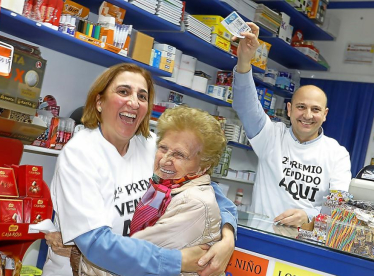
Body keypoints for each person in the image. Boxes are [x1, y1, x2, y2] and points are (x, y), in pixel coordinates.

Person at [43, 63, 237, 276]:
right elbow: (97, 245)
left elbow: (205, 186)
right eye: (123, 91)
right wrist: (177, 260)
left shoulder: (152, 145)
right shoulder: (80, 154)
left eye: (142, 96)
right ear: (99, 102)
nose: (134, 102)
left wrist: (228, 237)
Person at [80, 106, 227, 276]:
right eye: (163, 148)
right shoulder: (160, 188)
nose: (165, 160)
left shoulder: (194, 202)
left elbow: (127, 262)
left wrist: (83, 252)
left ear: (204, 165)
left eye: (179, 155)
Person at [232, 23, 351, 227]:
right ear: (289, 109)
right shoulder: (271, 136)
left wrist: (309, 217)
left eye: (315, 109)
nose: (307, 115)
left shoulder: (337, 154)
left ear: (325, 115)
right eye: (301, 107)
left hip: (302, 247)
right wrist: (244, 60)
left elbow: (337, 208)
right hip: (261, 239)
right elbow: (245, 105)